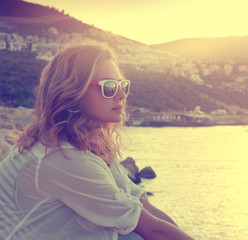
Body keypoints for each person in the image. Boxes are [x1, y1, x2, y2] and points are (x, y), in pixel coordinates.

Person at [0, 40, 194, 240]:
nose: (120, 95)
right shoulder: (62, 156)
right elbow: (154, 230)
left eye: (122, 85)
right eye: (108, 87)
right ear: (73, 93)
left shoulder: (88, 142)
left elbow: (144, 205)